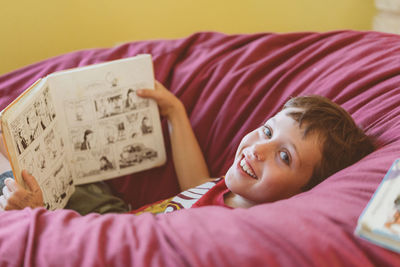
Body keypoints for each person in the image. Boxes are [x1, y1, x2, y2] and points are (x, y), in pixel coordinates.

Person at [0, 81, 375, 213]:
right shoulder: (229, 191)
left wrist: (40, 217)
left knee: (16, 189)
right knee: (17, 146)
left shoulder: (242, 223)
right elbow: (196, 184)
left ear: (305, 193)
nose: (258, 149)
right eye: (266, 130)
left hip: (104, 238)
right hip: (116, 212)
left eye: (284, 156)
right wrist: (176, 114)